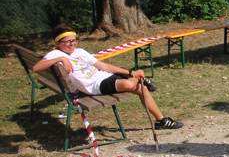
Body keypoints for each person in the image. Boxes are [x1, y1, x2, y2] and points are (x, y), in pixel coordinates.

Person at [36, 24, 183, 130]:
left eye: (74, 40)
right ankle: (140, 79)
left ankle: (161, 120)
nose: (72, 44)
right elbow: (37, 68)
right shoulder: (55, 54)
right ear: (57, 43)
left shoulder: (79, 51)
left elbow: (103, 66)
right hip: (94, 86)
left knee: (141, 89)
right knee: (129, 85)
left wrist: (130, 73)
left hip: (104, 77)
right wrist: (61, 59)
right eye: (67, 41)